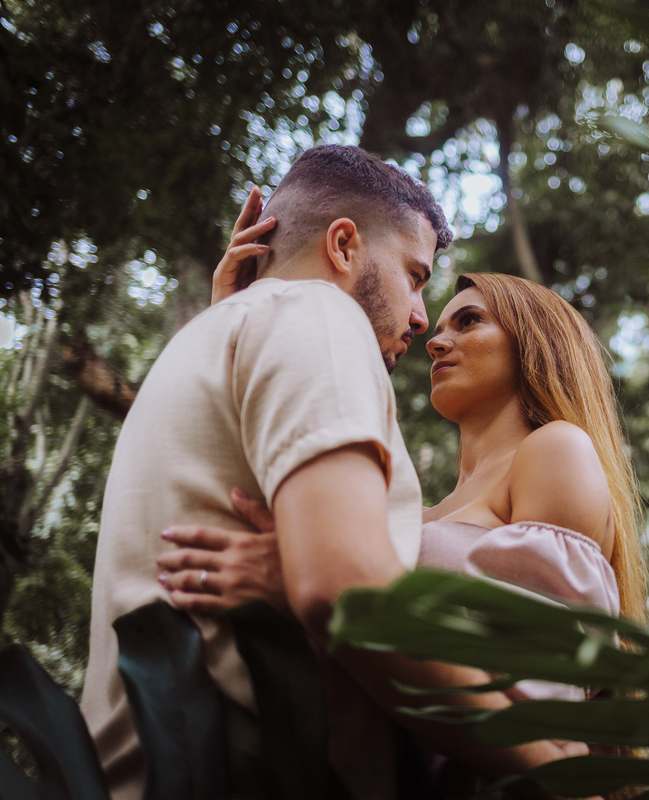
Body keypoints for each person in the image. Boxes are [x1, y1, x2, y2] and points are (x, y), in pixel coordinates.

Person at [81, 144, 584, 800]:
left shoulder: (206, 340)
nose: (421, 319)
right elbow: (343, 588)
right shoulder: (319, 314)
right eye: (414, 275)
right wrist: (559, 775)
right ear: (343, 246)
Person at [156, 271, 649, 794]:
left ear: (536, 342)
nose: (436, 341)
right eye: (439, 328)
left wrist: (329, 592)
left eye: (469, 321)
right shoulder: (416, 512)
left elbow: (542, 708)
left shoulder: (555, 449)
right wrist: (235, 321)